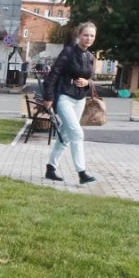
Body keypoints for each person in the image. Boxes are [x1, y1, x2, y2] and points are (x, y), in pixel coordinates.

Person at [42, 22, 98, 185]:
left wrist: (87, 83)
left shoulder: (90, 57)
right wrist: (48, 97)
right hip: (64, 97)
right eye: (86, 35)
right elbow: (53, 75)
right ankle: (82, 173)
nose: (88, 38)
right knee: (77, 134)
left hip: (79, 100)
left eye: (92, 36)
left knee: (65, 136)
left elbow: (89, 79)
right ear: (79, 35)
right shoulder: (68, 52)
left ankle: (50, 169)